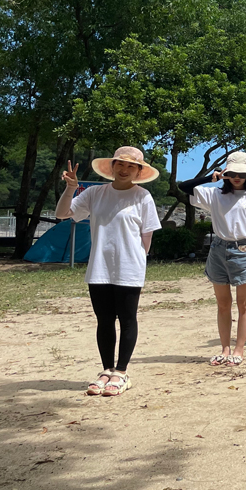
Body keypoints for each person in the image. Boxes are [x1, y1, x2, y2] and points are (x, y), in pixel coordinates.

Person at [55, 147, 162, 396]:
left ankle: (121, 373)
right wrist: (71, 188)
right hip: (99, 267)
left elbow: (147, 236)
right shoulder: (95, 193)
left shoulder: (143, 196)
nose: (124, 170)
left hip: (129, 267)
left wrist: (136, 259)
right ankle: (106, 370)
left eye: (131, 166)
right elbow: (62, 214)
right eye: (120, 164)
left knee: (127, 319)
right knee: (104, 320)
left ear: (139, 171)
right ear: (112, 166)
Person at [177, 152, 246, 365]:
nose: (237, 177)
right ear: (226, 173)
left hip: (244, 249)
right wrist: (211, 178)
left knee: (243, 303)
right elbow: (184, 186)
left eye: (242, 174)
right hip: (218, 249)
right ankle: (225, 348)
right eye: (233, 173)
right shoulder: (215, 194)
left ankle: (239, 349)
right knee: (223, 303)